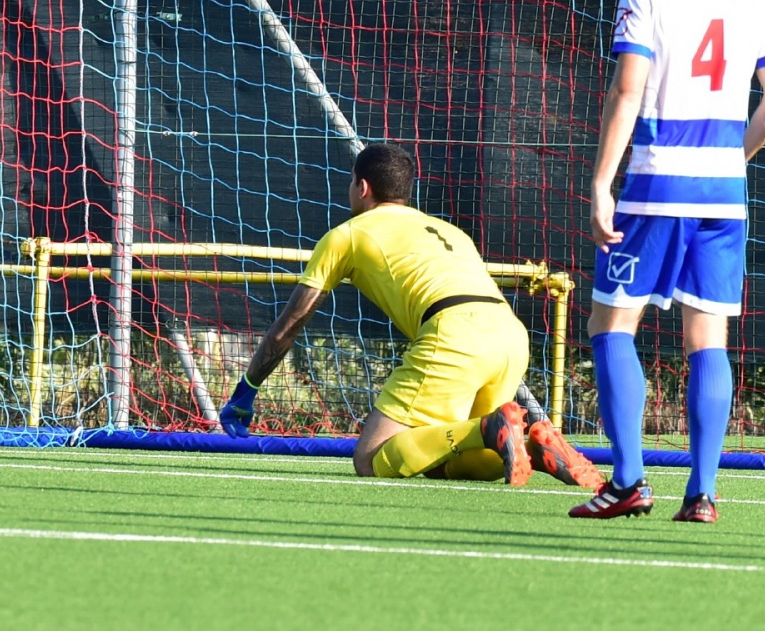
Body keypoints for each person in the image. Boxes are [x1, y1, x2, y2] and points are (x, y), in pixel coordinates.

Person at [576, 0, 765, 524]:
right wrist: (732, 160)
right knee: (709, 340)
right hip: (724, 194)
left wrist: (599, 184)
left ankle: (628, 481)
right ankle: (701, 494)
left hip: (655, 184)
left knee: (611, 326)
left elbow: (626, 89)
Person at [218, 143, 603, 490]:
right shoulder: (448, 230)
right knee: (440, 454)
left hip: (454, 334)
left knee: (371, 460)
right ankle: (533, 444)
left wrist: (247, 389)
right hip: (509, 335)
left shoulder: (347, 234)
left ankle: (492, 426)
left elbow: (292, 322)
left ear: (363, 187)